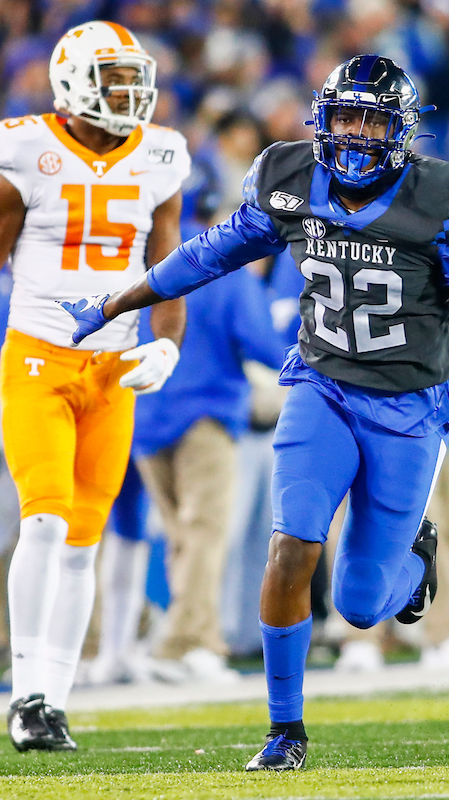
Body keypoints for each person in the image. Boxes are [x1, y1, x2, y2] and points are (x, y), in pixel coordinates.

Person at [63, 54, 449, 771]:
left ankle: (413, 558)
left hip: (409, 409)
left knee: (362, 606)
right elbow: (209, 255)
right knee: (292, 546)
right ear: (324, 118)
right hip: (322, 387)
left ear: (401, 130)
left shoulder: (443, 198)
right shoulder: (290, 176)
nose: (359, 133)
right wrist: (115, 301)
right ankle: (284, 728)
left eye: (374, 119)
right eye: (346, 116)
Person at [0, 22, 189, 752]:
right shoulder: (25, 152)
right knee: (44, 522)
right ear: (74, 81)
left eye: (133, 77)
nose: (131, 92)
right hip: (39, 359)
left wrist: (168, 343)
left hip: (113, 368)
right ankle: (25, 694)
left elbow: (171, 265)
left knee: (85, 542)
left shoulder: (161, 156)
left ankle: (56, 700)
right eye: (114, 79)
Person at [133, 264, 285, 682]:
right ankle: (189, 644)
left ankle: (181, 634)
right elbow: (264, 345)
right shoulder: (229, 272)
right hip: (206, 415)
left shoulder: (146, 267)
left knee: (180, 534)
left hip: (144, 414)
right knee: (205, 532)